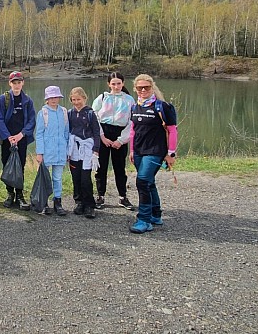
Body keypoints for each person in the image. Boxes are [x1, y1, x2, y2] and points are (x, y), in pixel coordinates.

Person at [129, 74, 178, 234]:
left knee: (142, 181)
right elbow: (133, 130)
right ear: (135, 89)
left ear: (152, 87)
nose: (143, 90)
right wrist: (131, 150)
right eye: (139, 87)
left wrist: (171, 153)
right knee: (149, 182)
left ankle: (144, 219)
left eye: (146, 87)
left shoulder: (162, 106)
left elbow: (172, 130)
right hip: (138, 151)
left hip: (156, 151)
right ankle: (156, 214)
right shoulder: (135, 106)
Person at [92, 72, 136, 210]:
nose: (116, 86)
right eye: (113, 84)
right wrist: (101, 136)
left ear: (123, 83)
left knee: (119, 168)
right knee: (101, 167)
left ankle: (123, 197)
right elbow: (94, 117)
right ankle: (100, 196)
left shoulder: (129, 100)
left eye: (119, 83)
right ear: (109, 84)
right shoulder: (102, 98)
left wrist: (121, 140)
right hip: (103, 132)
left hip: (120, 134)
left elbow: (132, 121)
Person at [0, 71, 36, 210]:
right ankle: (10, 194)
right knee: (7, 165)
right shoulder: (3, 99)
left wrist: (21, 135)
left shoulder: (28, 101)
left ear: (22, 83)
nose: (16, 85)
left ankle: (20, 195)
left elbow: (31, 121)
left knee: (20, 166)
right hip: (7, 140)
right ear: (10, 83)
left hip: (21, 139)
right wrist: (7, 136)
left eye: (19, 82)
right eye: (14, 82)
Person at [34, 86, 69, 216]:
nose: (54, 99)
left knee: (57, 178)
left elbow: (66, 133)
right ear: (47, 99)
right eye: (51, 97)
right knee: (45, 177)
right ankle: (44, 202)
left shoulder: (64, 112)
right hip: (47, 150)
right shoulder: (43, 113)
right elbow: (39, 134)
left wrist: (67, 150)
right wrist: (39, 152)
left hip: (60, 149)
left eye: (56, 97)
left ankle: (57, 201)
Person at [67, 87, 100, 219]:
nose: (76, 102)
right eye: (74, 100)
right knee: (76, 176)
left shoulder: (91, 113)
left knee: (85, 178)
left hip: (87, 148)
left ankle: (89, 205)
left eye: (78, 99)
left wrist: (96, 151)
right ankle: (79, 201)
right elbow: (68, 131)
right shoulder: (70, 113)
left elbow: (97, 133)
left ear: (84, 98)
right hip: (74, 148)